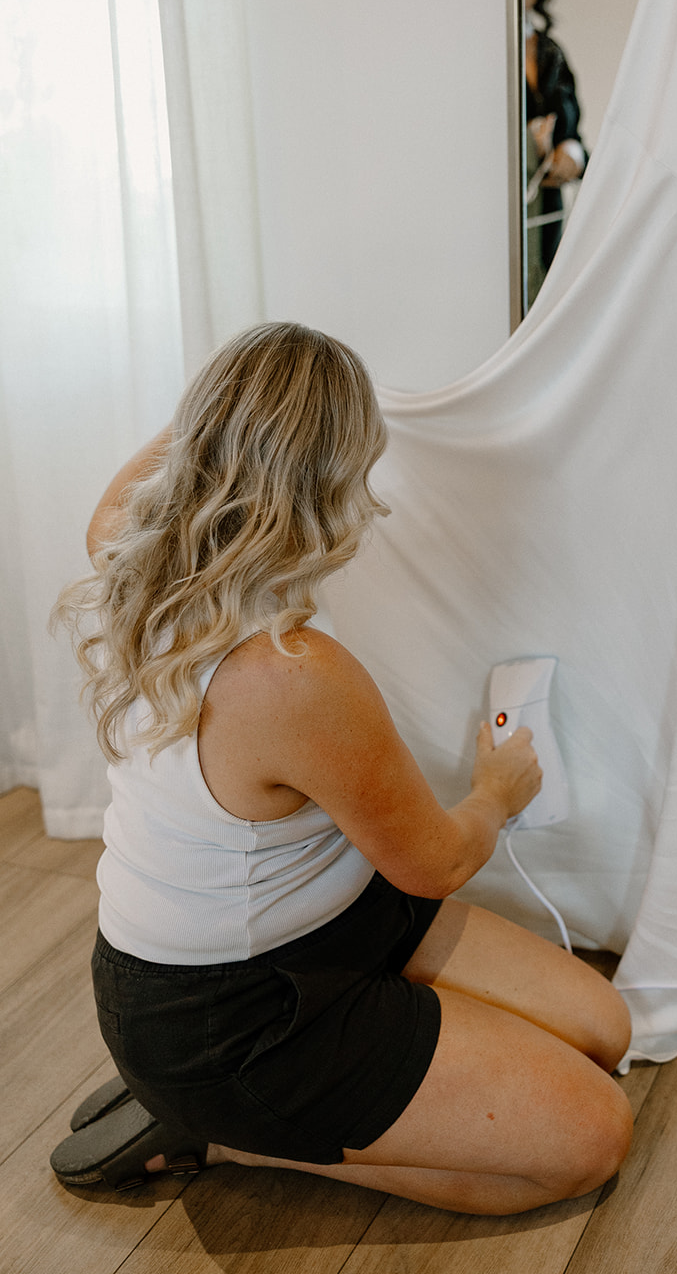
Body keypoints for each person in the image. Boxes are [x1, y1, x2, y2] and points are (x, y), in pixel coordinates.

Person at [49, 321, 632, 1214]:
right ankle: (224, 1133)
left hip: (332, 921)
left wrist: (256, 386)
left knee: (604, 1031)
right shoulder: (291, 676)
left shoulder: (122, 549)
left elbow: (185, 453)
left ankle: (254, 1106)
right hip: (225, 1020)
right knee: (592, 1140)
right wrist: (496, 793)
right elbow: (434, 863)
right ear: (330, 486)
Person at [524, 0, 586, 304]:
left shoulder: (551, 54)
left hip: (548, 231)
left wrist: (571, 157)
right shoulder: (475, 53)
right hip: (502, 236)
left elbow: (576, 137)